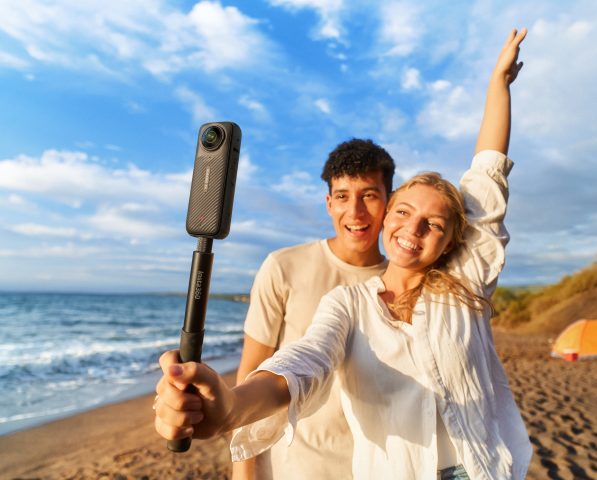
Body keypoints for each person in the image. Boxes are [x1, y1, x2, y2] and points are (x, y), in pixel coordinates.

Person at [154, 28, 532, 480]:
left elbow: (487, 176)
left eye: (431, 223)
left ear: (451, 240)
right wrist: (230, 408)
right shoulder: (347, 302)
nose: (412, 227)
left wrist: (497, 85)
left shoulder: (466, 282)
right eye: (405, 212)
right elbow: (300, 363)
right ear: (385, 214)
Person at [232, 137, 395, 480]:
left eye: (369, 195)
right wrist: (244, 474)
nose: (355, 212)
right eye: (342, 196)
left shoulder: (404, 281)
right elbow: (249, 377)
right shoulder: (283, 266)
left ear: (389, 202)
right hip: (296, 469)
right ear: (328, 203)